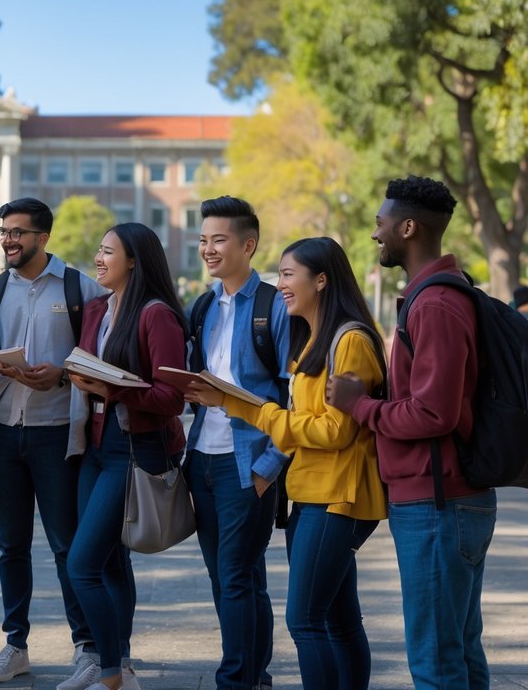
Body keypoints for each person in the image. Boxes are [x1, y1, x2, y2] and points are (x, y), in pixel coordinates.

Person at [188, 237, 387, 690]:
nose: (280, 285)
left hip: (337, 496)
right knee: (338, 618)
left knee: (306, 622)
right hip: (311, 493)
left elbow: (337, 431)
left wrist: (252, 411)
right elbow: (310, 421)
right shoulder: (311, 340)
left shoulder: (350, 340)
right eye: (279, 275)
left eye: (288, 274)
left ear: (321, 280)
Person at [327, 176, 496, 690]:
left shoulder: (437, 305)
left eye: (381, 223)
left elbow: (433, 414)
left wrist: (364, 408)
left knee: (437, 663)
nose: (375, 233)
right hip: (444, 502)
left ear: (408, 227)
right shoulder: (433, 297)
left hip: (438, 506)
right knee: (459, 653)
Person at [0, 197, 107, 688]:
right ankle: (15, 645)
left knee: (68, 546)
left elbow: (98, 360)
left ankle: (87, 647)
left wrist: (63, 376)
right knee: (10, 547)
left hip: (57, 435)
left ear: (43, 237)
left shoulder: (80, 288)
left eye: (18, 232)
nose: (8, 239)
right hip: (4, 431)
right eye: (3, 231)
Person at [65, 224, 189, 690]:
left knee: (82, 565)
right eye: (97, 250)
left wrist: (110, 388)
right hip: (95, 445)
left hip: (133, 450)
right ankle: (119, 665)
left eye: (108, 252)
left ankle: (112, 673)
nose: (98, 258)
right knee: (110, 562)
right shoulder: (97, 308)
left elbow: (172, 398)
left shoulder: (156, 315)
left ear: (134, 260)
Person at [180, 195, 290, 690]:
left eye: (218, 239)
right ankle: (255, 676)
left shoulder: (274, 307)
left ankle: (235, 680)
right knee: (236, 580)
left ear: (249, 244)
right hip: (202, 458)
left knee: (235, 576)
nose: (208, 249)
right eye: (203, 240)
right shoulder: (203, 306)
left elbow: (295, 392)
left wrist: (271, 465)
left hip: (250, 465)